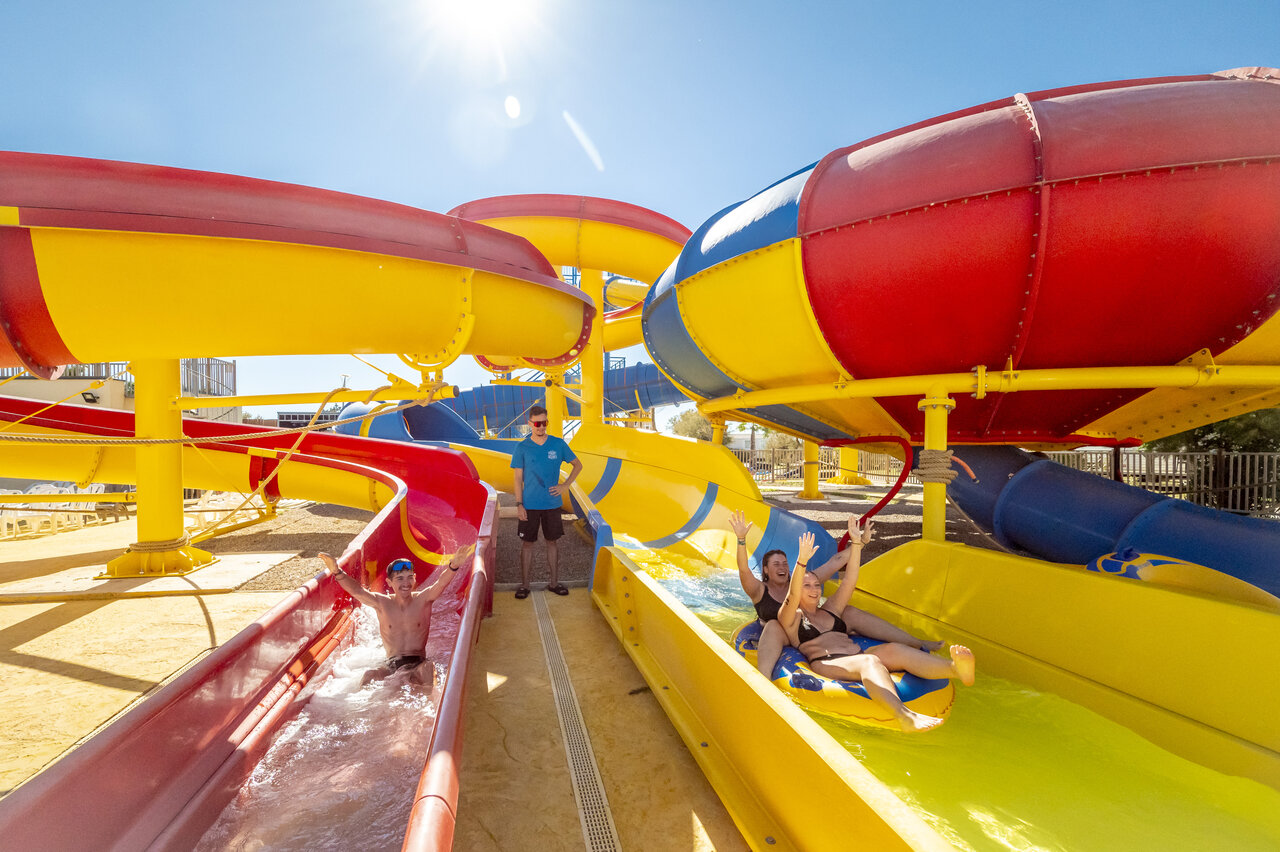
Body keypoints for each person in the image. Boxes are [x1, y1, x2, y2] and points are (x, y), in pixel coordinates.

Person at [777, 528, 976, 732]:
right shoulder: (792, 617)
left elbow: (850, 581)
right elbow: (791, 596)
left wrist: (856, 544)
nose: (814, 590)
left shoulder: (831, 610)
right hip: (827, 663)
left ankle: (954, 669)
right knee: (869, 661)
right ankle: (904, 716)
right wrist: (801, 562)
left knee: (895, 649)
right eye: (807, 585)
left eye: (817, 585)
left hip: (856, 654)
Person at [728, 509, 941, 680]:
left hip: (811, 626)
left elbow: (836, 562)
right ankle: (763, 679)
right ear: (766, 570)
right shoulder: (758, 590)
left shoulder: (802, 582)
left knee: (847, 612)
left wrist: (861, 543)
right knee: (774, 625)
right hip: (785, 632)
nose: (782, 567)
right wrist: (741, 540)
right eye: (776, 564)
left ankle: (916, 642)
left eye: (785, 563)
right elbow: (744, 569)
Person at [321, 547, 470, 690]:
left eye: (409, 577)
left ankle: (429, 710)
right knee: (369, 675)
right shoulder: (382, 603)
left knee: (428, 669)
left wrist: (454, 566)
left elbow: (441, 583)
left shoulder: (424, 599)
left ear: (415, 579)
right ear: (389, 583)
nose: (406, 583)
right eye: (399, 579)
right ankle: (366, 713)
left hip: (418, 663)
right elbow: (357, 591)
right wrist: (336, 571)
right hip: (391, 664)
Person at [510, 405, 583, 599]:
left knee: (552, 543)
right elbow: (517, 478)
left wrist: (565, 485)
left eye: (544, 423)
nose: (541, 427)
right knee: (527, 544)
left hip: (552, 504)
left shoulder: (558, 444)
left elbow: (578, 465)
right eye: (537, 423)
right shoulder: (522, 447)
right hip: (529, 505)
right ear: (530, 424)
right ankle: (525, 585)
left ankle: (554, 583)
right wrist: (519, 504)